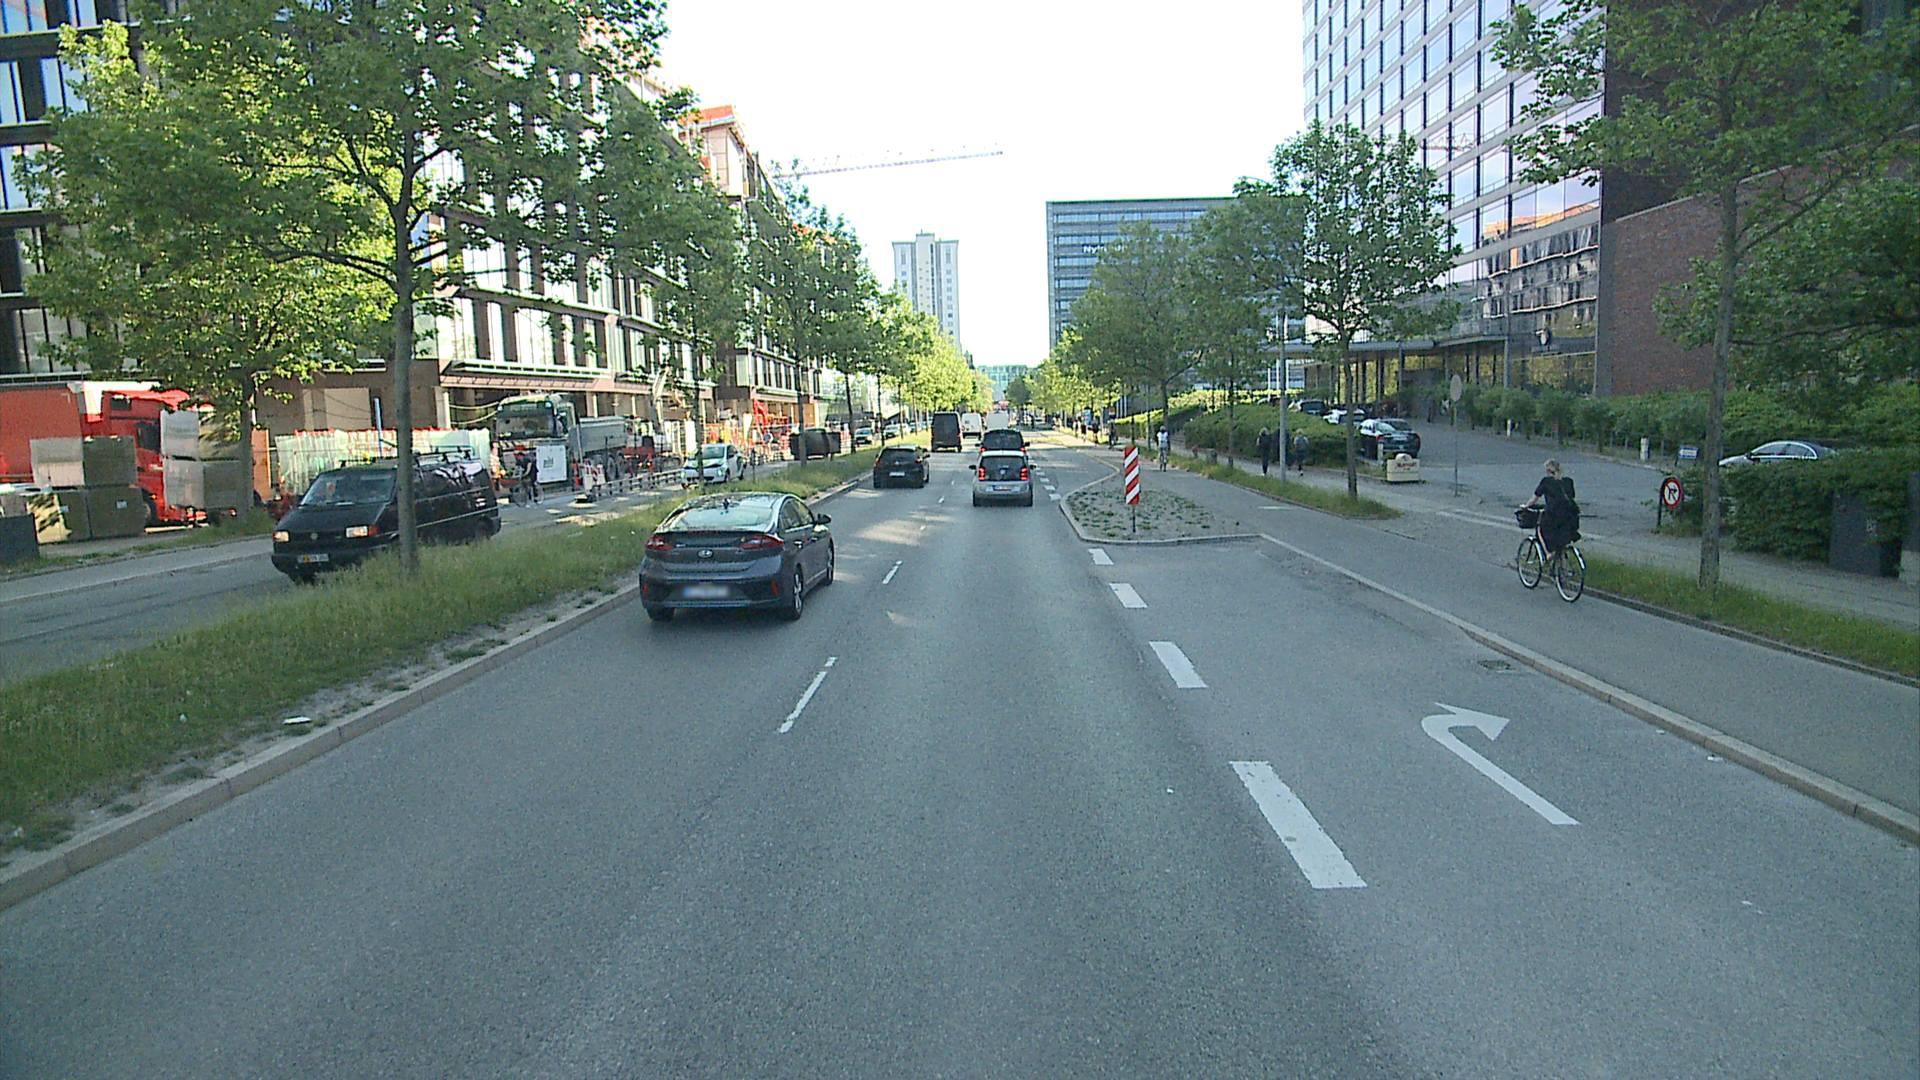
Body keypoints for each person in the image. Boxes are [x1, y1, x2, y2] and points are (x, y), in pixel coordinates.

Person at [1525, 459, 1580, 554]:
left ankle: (1548, 553)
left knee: (1540, 530)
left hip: (1553, 515)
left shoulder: (1546, 481)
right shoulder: (1569, 481)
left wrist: (1526, 506)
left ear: (1548, 471)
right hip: (1570, 516)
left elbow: (1534, 499)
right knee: (1562, 534)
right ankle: (1560, 556)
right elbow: (1571, 496)